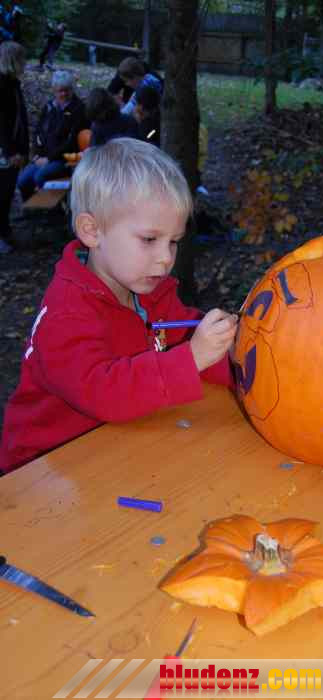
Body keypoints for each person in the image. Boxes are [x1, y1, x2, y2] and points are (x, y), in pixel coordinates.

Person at [0, 138, 238, 473]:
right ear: (92, 231)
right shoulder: (66, 314)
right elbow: (104, 393)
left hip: (117, 446)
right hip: (45, 470)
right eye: (149, 239)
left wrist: (240, 360)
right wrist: (193, 358)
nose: (166, 258)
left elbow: (186, 337)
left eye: (173, 242)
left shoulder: (151, 291)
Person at [17, 69, 88, 200]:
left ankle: (51, 208)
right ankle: (31, 207)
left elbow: (71, 142)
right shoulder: (49, 107)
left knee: (40, 176)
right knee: (22, 181)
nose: (64, 94)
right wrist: (37, 154)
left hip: (64, 159)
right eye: (60, 90)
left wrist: (49, 159)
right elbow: (38, 132)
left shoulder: (79, 109)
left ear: (72, 89)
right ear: (54, 90)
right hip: (43, 157)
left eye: (67, 90)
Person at [0, 41, 28, 253]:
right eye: (21, 58)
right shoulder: (2, 85)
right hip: (4, 151)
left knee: (8, 191)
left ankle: (5, 230)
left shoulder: (13, 83)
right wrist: (11, 151)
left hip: (13, 149)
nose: (24, 62)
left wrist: (24, 149)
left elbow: (20, 119)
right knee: (2, 192)